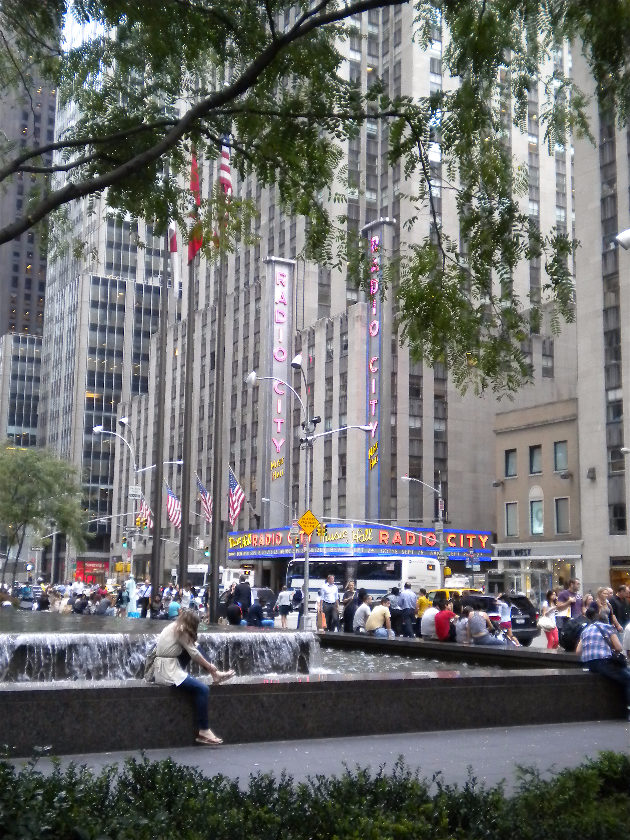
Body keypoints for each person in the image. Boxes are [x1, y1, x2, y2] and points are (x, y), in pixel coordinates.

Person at [152, 609, 235, 745]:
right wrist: (209, 666)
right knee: (203, 689)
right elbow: (194, 654)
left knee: (196, 646)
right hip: (167, 670)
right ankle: (203, 731)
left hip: (168, 663)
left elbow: (194, 649)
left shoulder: (175, 626)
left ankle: (216, 674)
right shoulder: (181, 630)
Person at [576, 603, 630, 721]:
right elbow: (619, 647)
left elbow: (578, 651)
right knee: (628, 678)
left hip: (590, 664)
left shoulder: (585, 630)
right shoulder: (607, 627)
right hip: (603, 662)